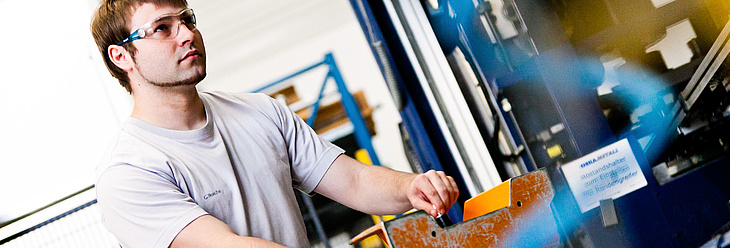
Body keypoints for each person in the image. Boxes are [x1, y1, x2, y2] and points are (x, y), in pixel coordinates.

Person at [90, 0, 460, 247]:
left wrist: (412, 186)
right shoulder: (128, 172)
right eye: (162, 28)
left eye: (186, 19)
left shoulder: (259, 112)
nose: (187, 34)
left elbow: (354, 181)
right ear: (122, 56)